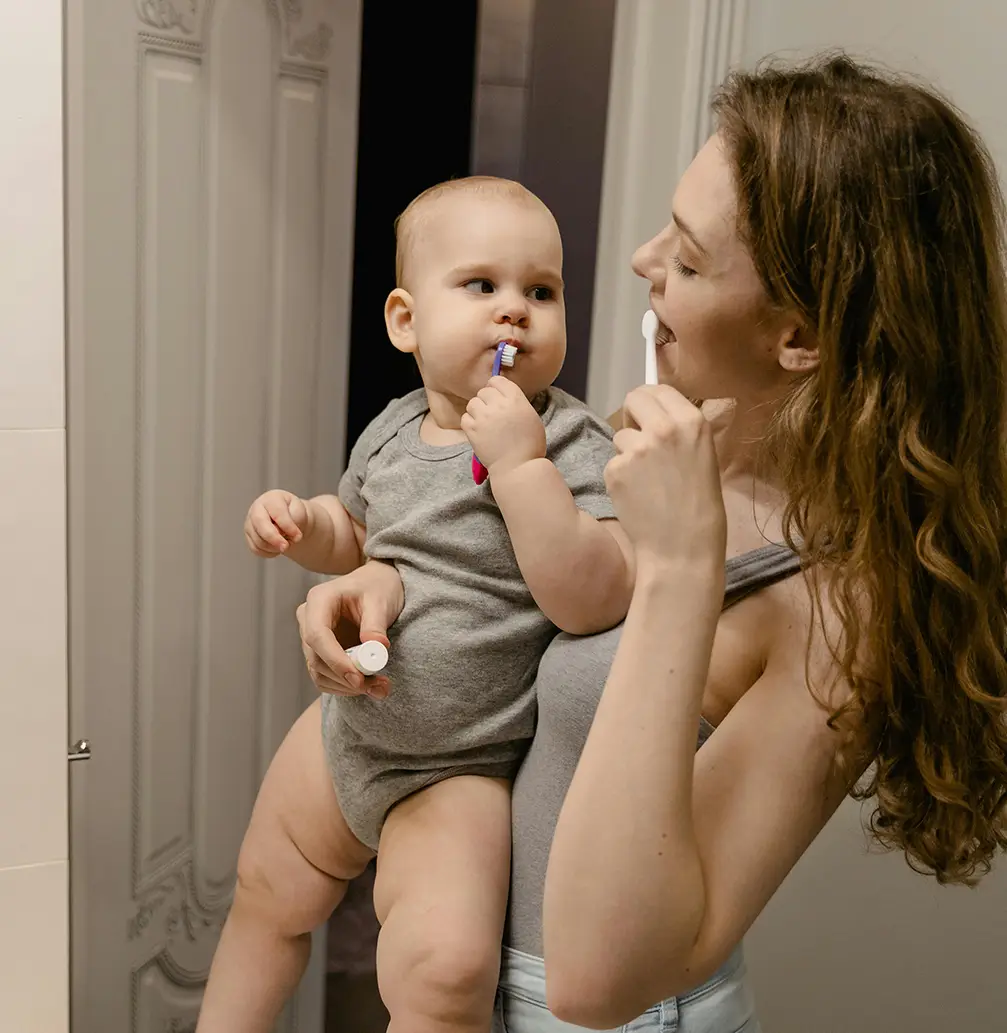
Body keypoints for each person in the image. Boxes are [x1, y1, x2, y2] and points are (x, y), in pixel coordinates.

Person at [296, 54, 1007, 1032]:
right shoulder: (669, 450)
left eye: (685, 254)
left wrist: (675, 568)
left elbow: (598, 978)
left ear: (796, 334)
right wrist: (376, 573)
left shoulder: (837, 604)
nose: (639, 260)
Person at [196, 176, 633, 1033]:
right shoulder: (394, 428)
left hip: (464, 765)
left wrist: (519, 466)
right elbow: (355, 533)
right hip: (347, 733)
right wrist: (299, 521)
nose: (515, 312)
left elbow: (592, 597)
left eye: (540, 291)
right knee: (263, 895)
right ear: (406, 321)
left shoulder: (576, 441)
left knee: (443, 971)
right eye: (482, 286)